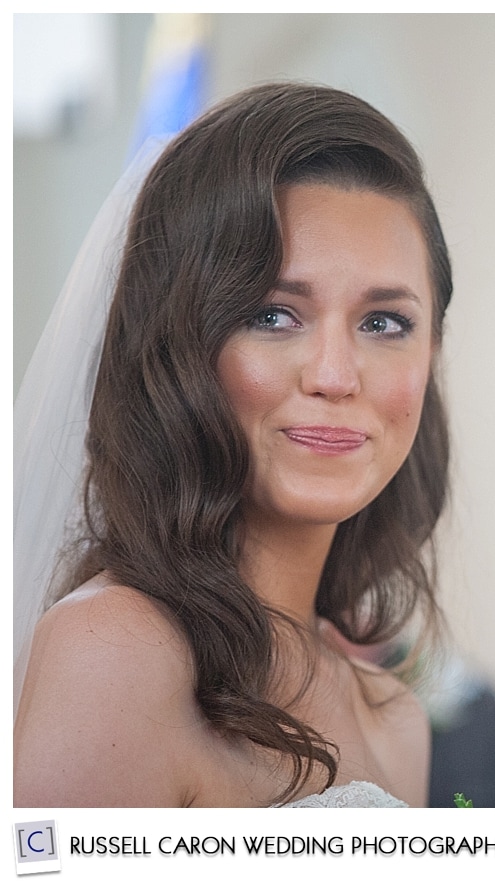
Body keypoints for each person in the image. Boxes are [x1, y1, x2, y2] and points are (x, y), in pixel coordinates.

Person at [14, 82, 455, 807]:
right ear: (180, 345)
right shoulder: (113, 654)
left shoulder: (397, 719)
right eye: (275, 314)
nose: (336, 376)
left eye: (384, 323)